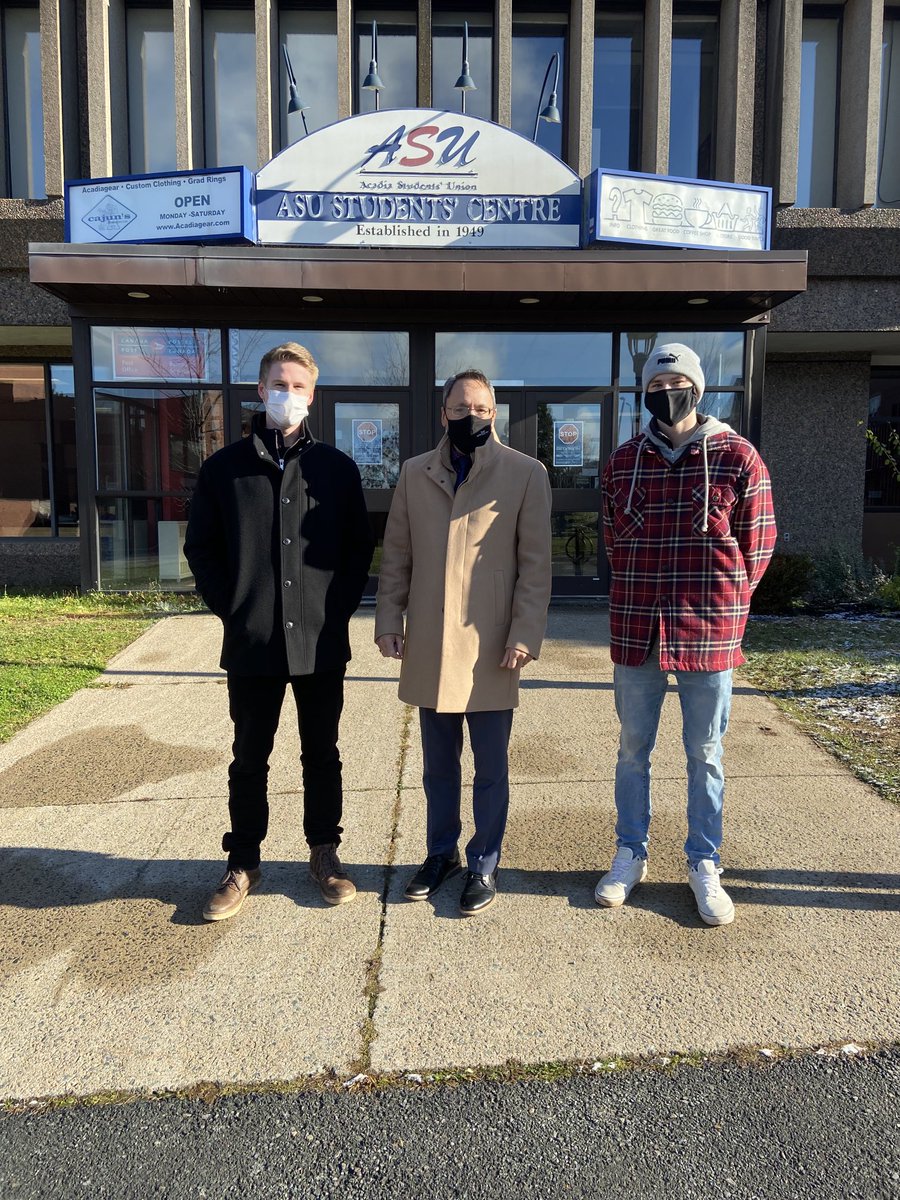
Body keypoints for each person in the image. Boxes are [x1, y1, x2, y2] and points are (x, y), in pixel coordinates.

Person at [185, 342, 374, 920]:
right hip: (253, 644)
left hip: (319, 644)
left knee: (323, 753)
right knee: (249, 755)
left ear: (312, 396)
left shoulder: (337, 470)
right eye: (278, 384)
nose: (287, 394)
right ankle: (243, 860)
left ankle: (325, 853)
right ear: (260, 390)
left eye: (298, 386)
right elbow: (201, 549)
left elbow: (357, 551)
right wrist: (236, 609)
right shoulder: (224, 470)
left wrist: (333, 613)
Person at [595, 342, 776, 925]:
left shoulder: (738, 458)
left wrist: (728, 609)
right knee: (631, 751)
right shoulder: (623, 462)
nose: (666, 393)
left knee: (705, 754)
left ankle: (704, 862)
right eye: (655, 385)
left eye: (676, 382)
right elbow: (611, 543)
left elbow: (759, 546)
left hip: (709, 633)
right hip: (638, 629)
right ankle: (630, 852)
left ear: (698, 388)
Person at [375, 369, 551, 915]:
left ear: (493, 413)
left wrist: (525, 633)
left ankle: (485, 861)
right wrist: (388, 619)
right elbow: (397, 553)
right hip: (429, 639)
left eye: (480, 407)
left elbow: (535, 566)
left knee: (491, 765)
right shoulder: (414, 473)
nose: (469, 416)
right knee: (437, 767)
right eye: (459, 407)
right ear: (443, 411)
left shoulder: (525, 473)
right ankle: (440, 852)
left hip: (493, 643)